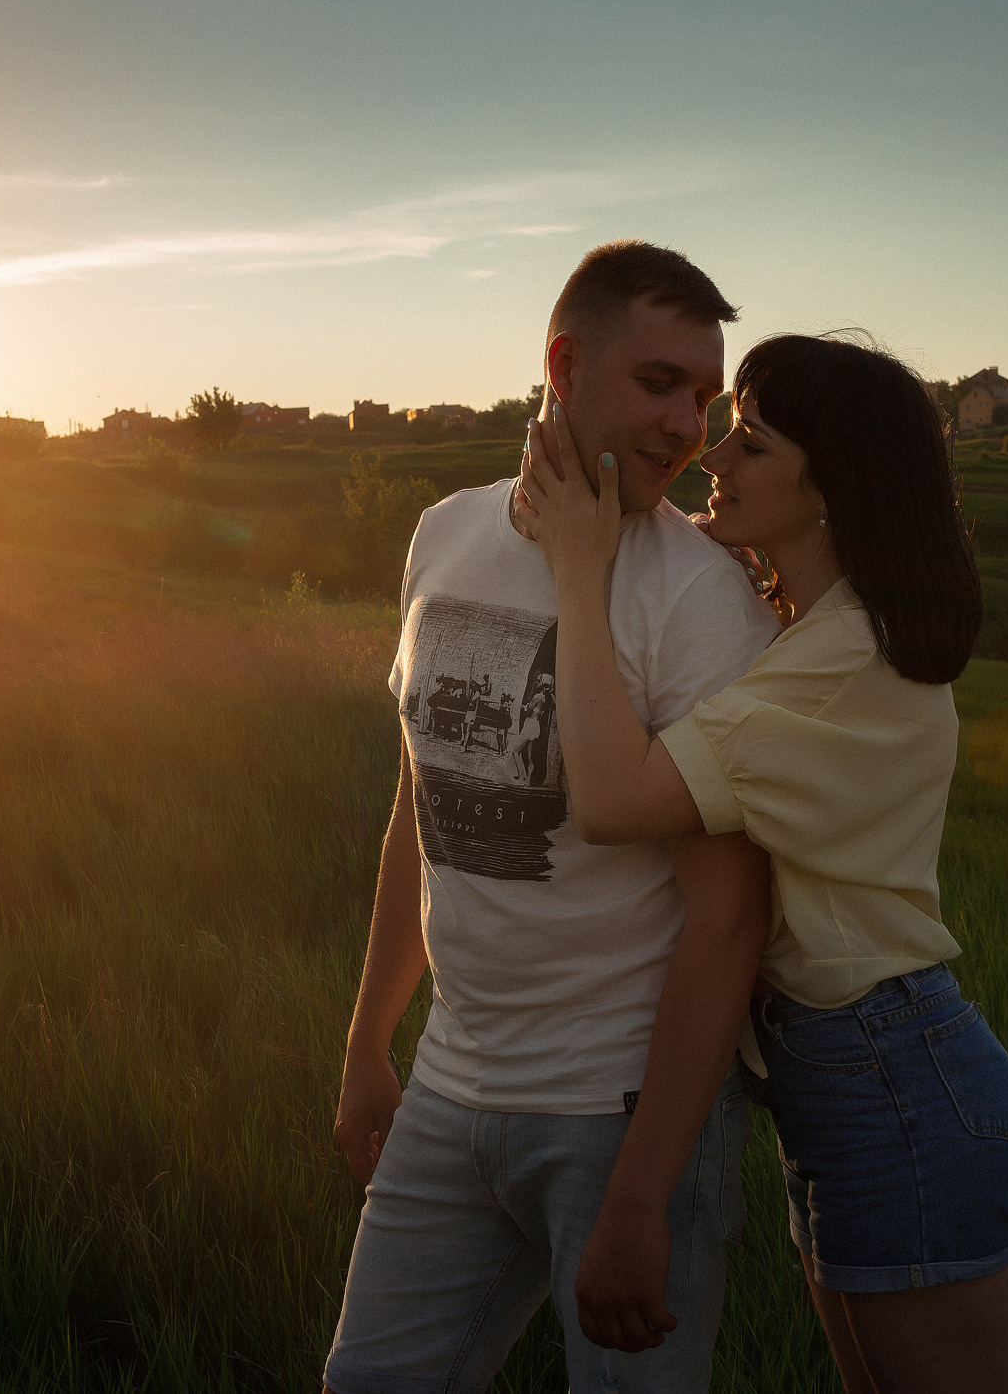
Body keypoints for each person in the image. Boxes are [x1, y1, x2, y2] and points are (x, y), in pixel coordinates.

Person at [515, 334, 1008, 1394]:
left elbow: (612, 800)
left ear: (833, 485)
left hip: (888, 1069)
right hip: (842, 1070)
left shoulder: (838, 667)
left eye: (751, 442)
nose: (714, 457)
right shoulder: (824, 636)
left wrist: (579, 569)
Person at [323, 242, 784, 1394]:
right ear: (564, 364)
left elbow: (728, 922)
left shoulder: (700, 598)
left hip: (618, 1112)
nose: (688, 424)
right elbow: (421, 805)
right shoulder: (445, 535)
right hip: (450, 1086)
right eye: (659, 383)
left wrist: (642, 1193)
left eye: (703, 396)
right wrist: (369, 1037)